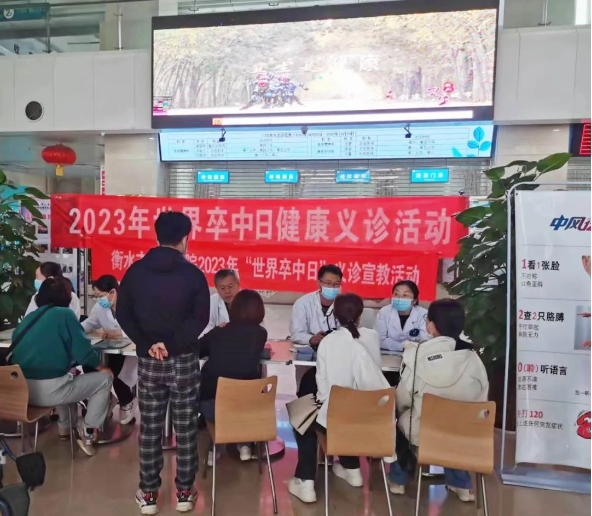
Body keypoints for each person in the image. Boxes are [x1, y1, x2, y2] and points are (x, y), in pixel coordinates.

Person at [116, 211, 210, 515]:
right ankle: (184, 492)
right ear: (185, 239)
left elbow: (123, 314)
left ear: (157, 235)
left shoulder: (135, 272)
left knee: (150, 428)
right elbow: (201, 318)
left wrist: (148, 344)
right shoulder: (193, 274)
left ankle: (148, 494)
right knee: (185, 429)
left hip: (149, 361)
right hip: (183, 360)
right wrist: (172, 345)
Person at [288, 293, 390, 504]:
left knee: (302, 419)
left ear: (334, 315)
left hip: (337, 418)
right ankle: (352, 469)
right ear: (361, 314)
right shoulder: (372, 337)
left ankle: (305, 481)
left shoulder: (328, 341)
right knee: (346, 410)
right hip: (372, 418)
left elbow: (323, 391)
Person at [388, 298, 489, 502]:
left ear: (431, 325)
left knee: (399, 423)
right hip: (465, 433)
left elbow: (403, 398)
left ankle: (399, 480)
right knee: (452, 425)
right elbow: (482, 399)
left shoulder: (416, 355)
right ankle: (461, 483)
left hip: (425, 432)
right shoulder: (473, 358)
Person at [10, 277, 113, 457]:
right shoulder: (64, 314)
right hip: (49, 393)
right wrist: (101, 367)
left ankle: (65, 427)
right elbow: (83, 352)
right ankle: (88, 431)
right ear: (67, 296)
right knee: (104, 379)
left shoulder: (29, 319)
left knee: (67, 375)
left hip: (21, 393)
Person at [199, 289, 268, 463]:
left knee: (210, 399)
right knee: (246, 389)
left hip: (212, 404)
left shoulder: (219, 332)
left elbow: (198, 349)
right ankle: (245, 444)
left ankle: (215, 446)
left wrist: (216, 332)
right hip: (246, 403)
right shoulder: (261, 333)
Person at [81, 275, 136, 425]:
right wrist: (76, 329)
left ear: (112, 292)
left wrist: (117, 333)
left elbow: (139, 327)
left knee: (116, 372)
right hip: (109, 347)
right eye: (96, 296)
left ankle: (126, 401)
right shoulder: (100, 307)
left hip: (129, 349)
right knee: (90, 366)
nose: (98, 299)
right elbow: (90, 323)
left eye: (100, 295)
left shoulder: (131, 304)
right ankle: (105, 399)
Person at [375, 280, 428, 353]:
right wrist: (403, 347)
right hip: (388, 355)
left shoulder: (423, 314)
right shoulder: (384, 312)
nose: (400, 298)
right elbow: (379, 339)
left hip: (416, 354)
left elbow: (425, 341)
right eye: (396, 294)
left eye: (405, 295)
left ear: (414, 300)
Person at [200, 268, 240, 336]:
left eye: (230, 286)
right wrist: (217, 331)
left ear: (238, 285)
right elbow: (204, 332)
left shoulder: (249, 300)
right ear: (217, 289)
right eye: (222, 288)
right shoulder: (211, 303)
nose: (227, 291)